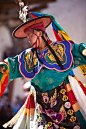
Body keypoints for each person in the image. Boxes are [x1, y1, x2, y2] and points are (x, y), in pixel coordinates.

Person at [0, 1, 86, 129]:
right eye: (27, 37)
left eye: (30, 35)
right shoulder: (27, 56)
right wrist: (4, 66)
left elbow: (78, 51)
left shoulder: (62, 49)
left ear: (40, 33)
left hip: (65, 102)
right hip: (42, 108)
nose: (28, 39)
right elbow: (13, 65)